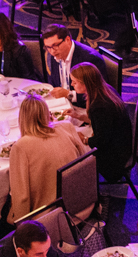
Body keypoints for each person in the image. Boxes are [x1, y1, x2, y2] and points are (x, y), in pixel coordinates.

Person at [7, 95, 88, 223]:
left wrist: (22, 229)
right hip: (83, 204)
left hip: (51, 218)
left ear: (22, 119)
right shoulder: (67, 127)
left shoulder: (20, 147)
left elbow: (22, 198)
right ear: (47, 113)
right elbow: (86, 161)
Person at [39, 23, 106, 104]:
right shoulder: (54, 54)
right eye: (48, 47)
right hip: (61, 104)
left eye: (55, 45)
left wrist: (69, 95)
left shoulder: (90, 59)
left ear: (67, 40)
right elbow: (53, 82)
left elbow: (98, 93)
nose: (52, 51)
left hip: (85, 107)